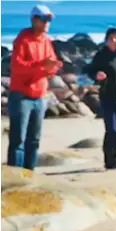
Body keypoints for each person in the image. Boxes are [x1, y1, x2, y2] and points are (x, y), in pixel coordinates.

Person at [7, 4, 62, 171]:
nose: (47, 23)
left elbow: (52, 67)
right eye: (44, 19)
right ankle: (15, 178)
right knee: (18, 141)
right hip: (21, 96)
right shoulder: (23, 39)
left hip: (39, 96)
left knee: (34, 139)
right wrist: (42, 66)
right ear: (34, 20)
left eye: (49, 20)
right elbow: (17, 67)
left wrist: (51, 67)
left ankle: (30, 174)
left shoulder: (46, 41)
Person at [86, 28, 116, 170]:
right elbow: (90, 70)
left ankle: (115, 158)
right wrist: (97, 75)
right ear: (106, 40)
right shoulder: (101, 55)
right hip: (108, 97)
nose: (114, 40)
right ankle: (108, 160)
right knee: (111, 130)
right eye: (111, 38)